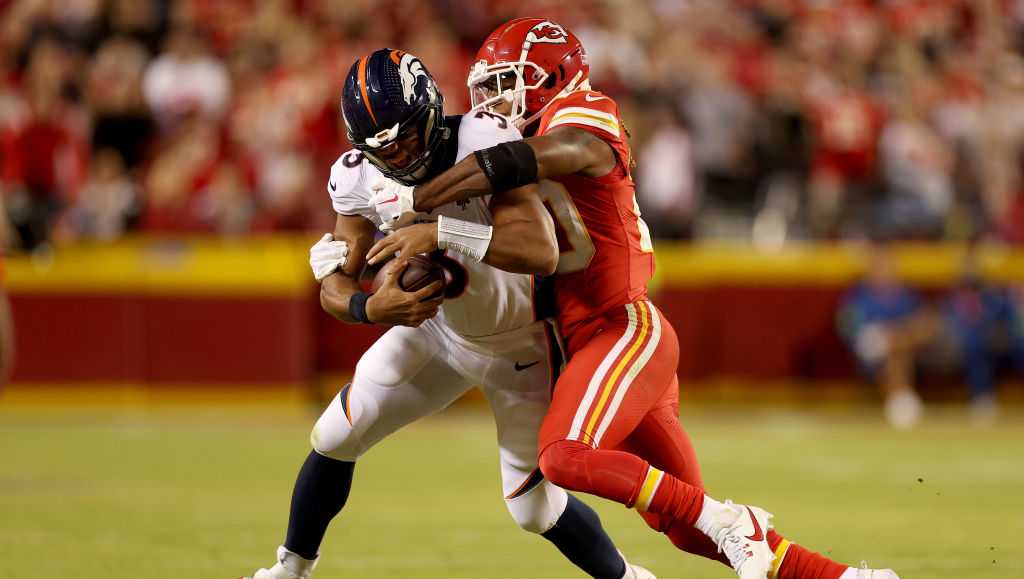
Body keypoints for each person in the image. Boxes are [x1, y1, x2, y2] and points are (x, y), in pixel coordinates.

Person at [369, 18, 899, 579]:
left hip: (621, 327)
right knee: (686, 525)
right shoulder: (508, 141)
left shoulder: (582, 113)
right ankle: (845, 578)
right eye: (486, 87)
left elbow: (538, 157)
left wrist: (417, 199)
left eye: (508, 82)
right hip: (584, 340)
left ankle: (732, 518)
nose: (493, 101)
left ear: (553, 76)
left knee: (565, 456)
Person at [244, 49, 651, 579]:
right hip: (436, 334)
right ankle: (289, 571)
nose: (399, 155)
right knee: (334, 435)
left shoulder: (483, 141)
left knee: (532, 509)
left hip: (521, 344)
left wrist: (439, 231)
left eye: (407, 136)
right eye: (381, 149)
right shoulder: (357, 177)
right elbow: (336, 285)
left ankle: (631, 578)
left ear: (432, 111)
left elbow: (537, 249)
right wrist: (369, 305)